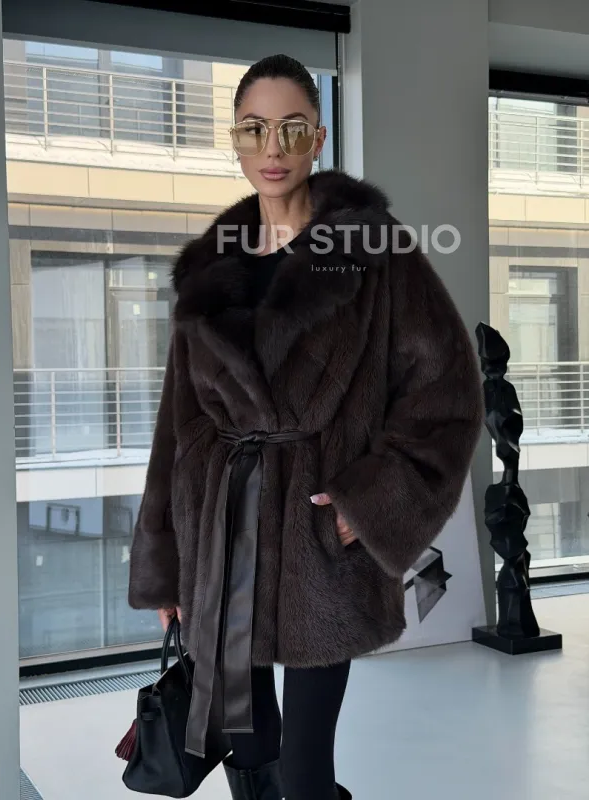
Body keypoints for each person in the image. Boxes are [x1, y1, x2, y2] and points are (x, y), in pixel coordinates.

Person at [128, 53, 483, 800]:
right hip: (220, 533)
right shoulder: (209, 269)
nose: (274, 146)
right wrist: (169, 561)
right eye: (254, 127)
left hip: (317, 535)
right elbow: (176, 422)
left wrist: (370, 502)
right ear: (235, 138)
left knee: (304, 769)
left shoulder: (373, 251)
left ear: (318, 138)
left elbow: (446, 391)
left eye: (292, 127)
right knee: (248, 751)